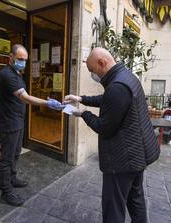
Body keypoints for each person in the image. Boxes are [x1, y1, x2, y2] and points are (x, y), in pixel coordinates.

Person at [63, 47, 160, 223]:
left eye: (92, 70)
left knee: (113, 207)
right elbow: (109, 99)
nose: (93, 75)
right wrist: (81, 99)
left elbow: (104, 127)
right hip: (137, 155)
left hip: (122, 160)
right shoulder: (126, 77)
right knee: (135, 199)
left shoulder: (117, 86)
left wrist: (82, 113)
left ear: (102, 63)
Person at [0, 44, 64, 206]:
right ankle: (6, 191)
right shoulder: (7, 75)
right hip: (9, 122)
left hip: (17, 120)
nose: (23, 63)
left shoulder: (17, 73)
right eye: (20, 59)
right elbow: (25, 97)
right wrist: (47, 103)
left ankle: (11, 179)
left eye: (25, 60)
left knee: (16, 153)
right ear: (10, 57)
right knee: (6, 158)